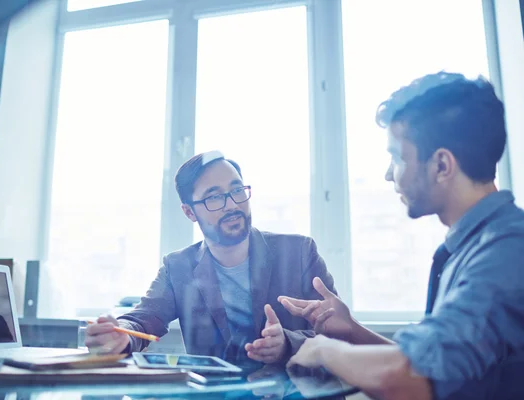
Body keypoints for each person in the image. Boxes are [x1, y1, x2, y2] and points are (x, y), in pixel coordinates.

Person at [282, 72, 524, 399]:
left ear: (441, 165)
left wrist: (324, 350)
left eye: (397, 157)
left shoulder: (505, 251)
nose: (387, 173)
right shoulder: (476, 245)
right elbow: (437, 367)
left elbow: (410, 378)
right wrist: (351, 330)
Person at [86, 151, 337, 366]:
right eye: (214, 197)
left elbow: (339, 333)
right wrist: (121, 336)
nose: (231, 205)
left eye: (237, 190)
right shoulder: (178, 268)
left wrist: (287, 344)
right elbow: (142, 319)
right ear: (189, 212)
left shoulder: (300, 252)